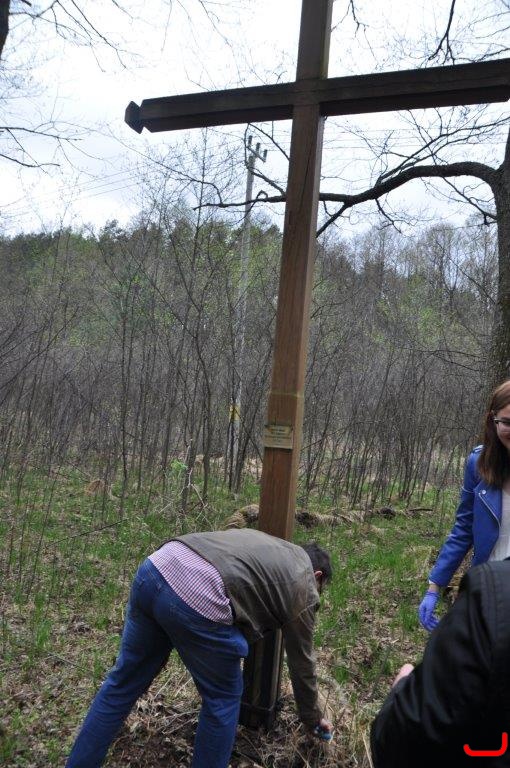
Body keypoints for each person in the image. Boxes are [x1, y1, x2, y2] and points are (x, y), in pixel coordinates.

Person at [65, 529, 333, 768]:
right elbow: (302, 661)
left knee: (121, 684)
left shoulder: (273, 545)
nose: (316, 598)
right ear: (317, 576)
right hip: (194, 596)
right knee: (223, 697)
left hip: (157, 566)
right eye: (320, 590)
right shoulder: (304, 581)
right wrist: (312, 719)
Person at [371, 559, 510, 767]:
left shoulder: (491, 590)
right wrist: (435, 586)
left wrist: (399, 698)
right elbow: (460, 539)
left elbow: (407, 741)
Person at [419, 379, 510, 631]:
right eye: (507, 422)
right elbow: (464, 528)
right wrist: (434, 586)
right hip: (489, 586)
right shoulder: (478, 465)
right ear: (493, 421)